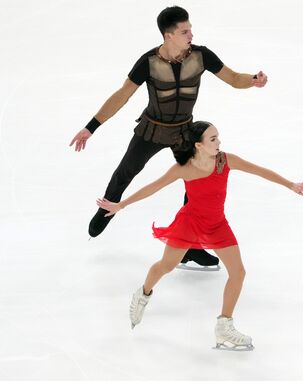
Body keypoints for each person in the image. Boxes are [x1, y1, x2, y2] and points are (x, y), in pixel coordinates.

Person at [69, 6, 268, 269]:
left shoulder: (201, 56)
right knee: (125, 173)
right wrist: (91, 127)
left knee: (198, 183)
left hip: (185, 131)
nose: (191, 34)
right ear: (168, 35)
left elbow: (232, 78)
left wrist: (252, 80)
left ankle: (191, 247)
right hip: (152, 129)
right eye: (184, 31)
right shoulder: (148, 62)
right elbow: (122, 95)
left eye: (190, 29)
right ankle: (106, 210)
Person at [96, 121, 303, 350]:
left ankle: (224, 327)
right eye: (213, 139)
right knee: (166, 266)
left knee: (238, 272)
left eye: (218, 137)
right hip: (189, 223)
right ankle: (142, 295)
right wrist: (122, 205)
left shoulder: (225, 161)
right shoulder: (183, 168)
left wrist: (291, 185)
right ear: (199, 145)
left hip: (217, 224)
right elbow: (153, 187)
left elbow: (259, 170)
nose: (219, 142)